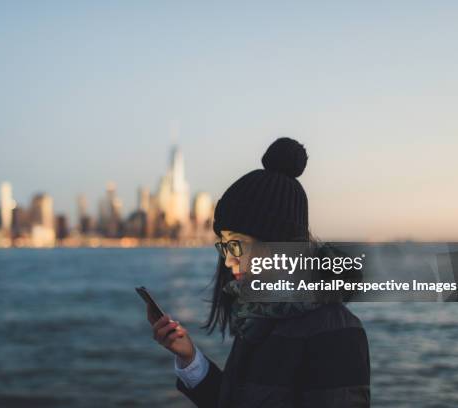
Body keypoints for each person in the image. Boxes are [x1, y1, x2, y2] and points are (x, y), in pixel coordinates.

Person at [148, 138, 371, 407]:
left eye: (238, 245)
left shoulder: (335, 331)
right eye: (224, 245)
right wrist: (190, 358)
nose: (228, 261)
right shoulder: (257, 316)